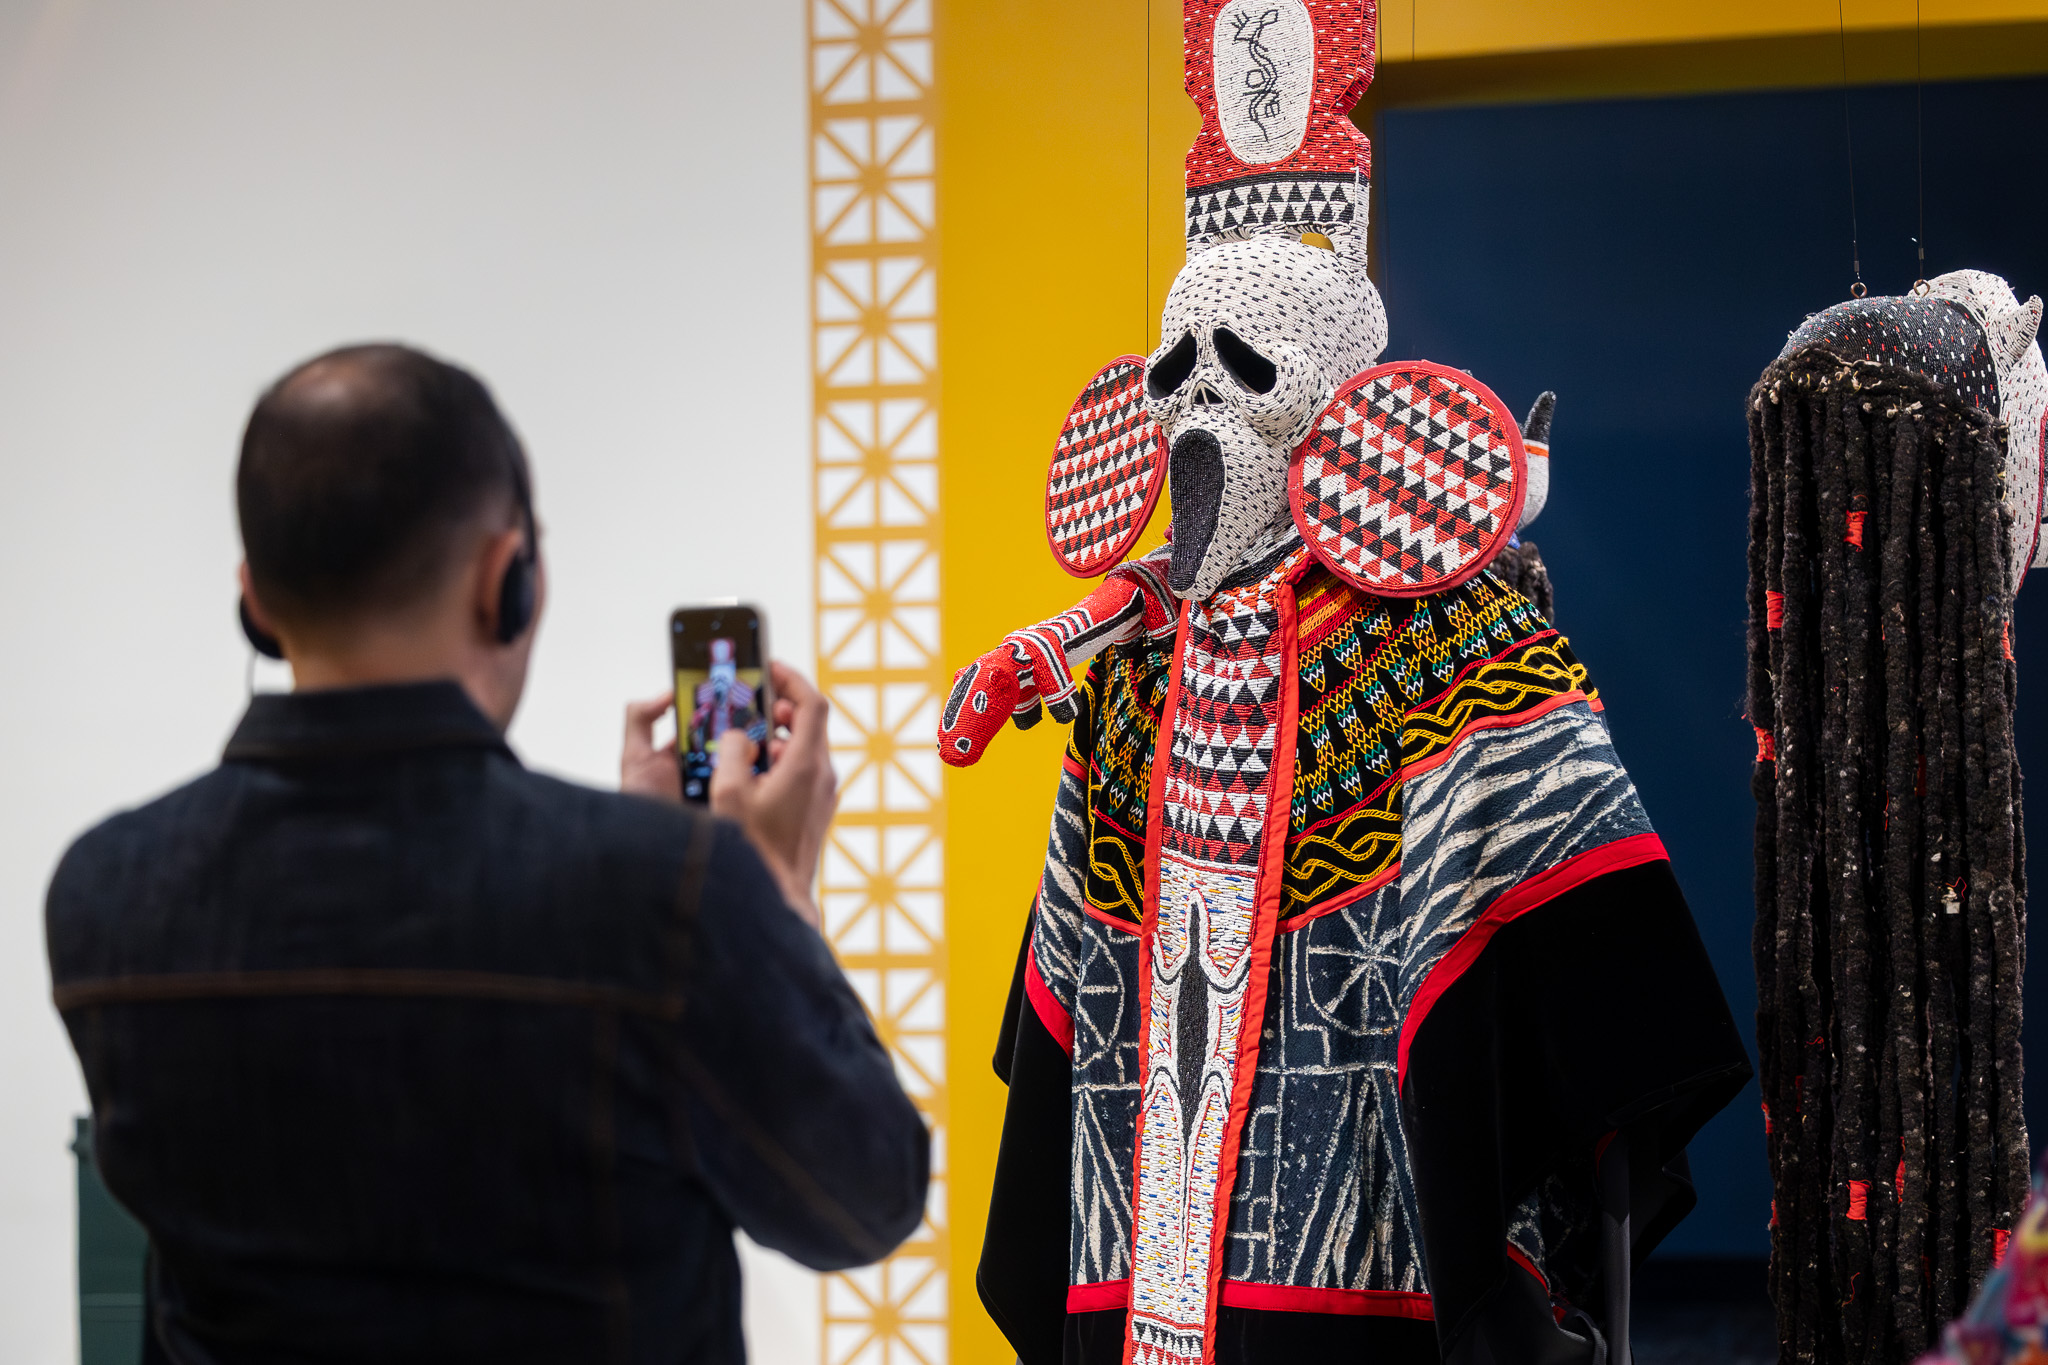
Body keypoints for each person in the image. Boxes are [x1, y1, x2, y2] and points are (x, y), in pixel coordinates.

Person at [44, 343, 928, 1364]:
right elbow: (863, 1199)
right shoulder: (664, 900)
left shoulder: (104, 895)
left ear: (256, 600)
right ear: (506, 579)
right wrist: (766, 889)